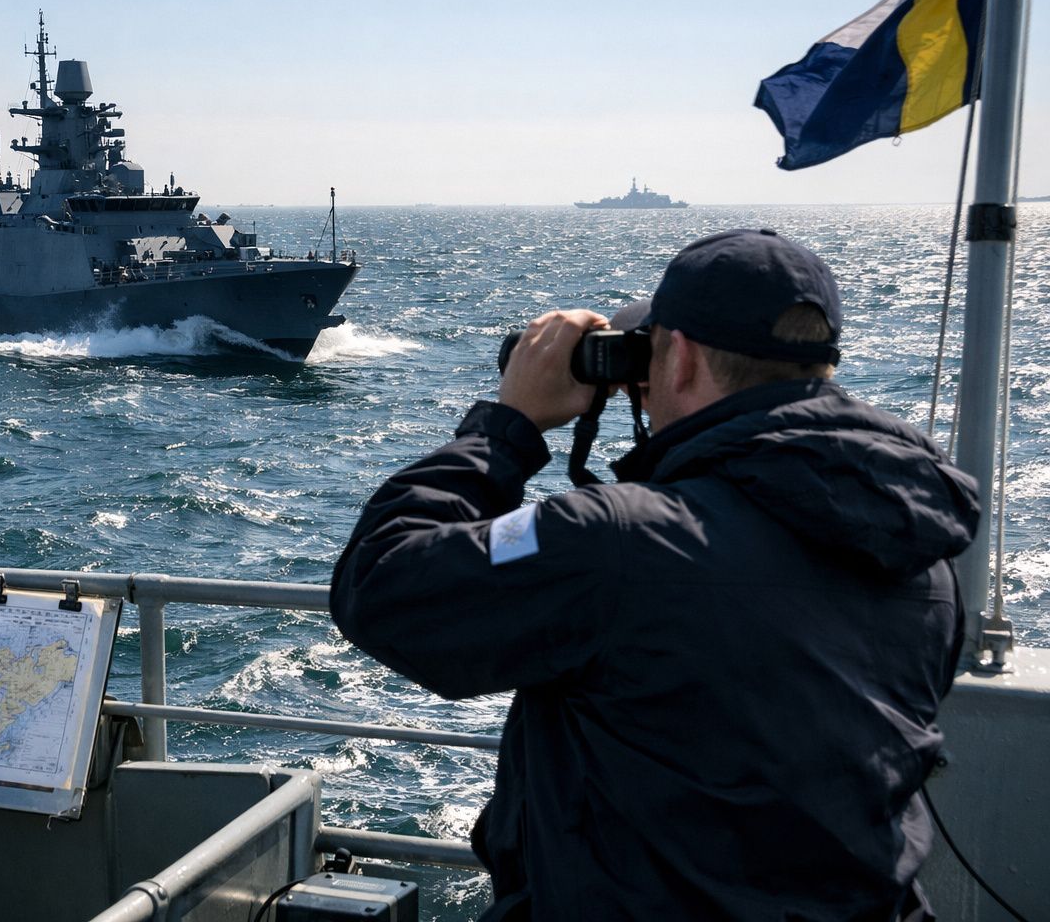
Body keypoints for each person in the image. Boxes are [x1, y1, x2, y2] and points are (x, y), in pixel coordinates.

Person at [331, 229, 980, 921]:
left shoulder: (618, 540)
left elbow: (383, 582)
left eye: (648, 353)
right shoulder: (922, 554)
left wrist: (504, 425)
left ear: (682, 362)